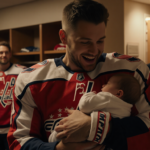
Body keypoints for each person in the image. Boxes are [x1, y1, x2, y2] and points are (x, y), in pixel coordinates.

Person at [7, 0, 150, 150]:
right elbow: (19, 141)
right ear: (63, 37)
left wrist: (94, 127)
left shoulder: (132, 70)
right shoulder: (31, 79)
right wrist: (59, 148)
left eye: (100, 41)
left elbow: (147, 124)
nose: (95, 50)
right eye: (85, 42)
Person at [48, 73, 141, 143]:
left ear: (118, 93)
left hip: (83, 133)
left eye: (107, 84)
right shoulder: (127, 110)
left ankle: (52, 140)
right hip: (101, 140)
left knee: (57, 133)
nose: (103, 85)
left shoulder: (108, 98)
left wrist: (89, 93)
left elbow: (84, 105)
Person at [0, 41, 26, 150]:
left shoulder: (20, 71)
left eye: (6, 52)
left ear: (10, 54)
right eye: (1, 52)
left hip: (12, 127)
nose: (3, 55)